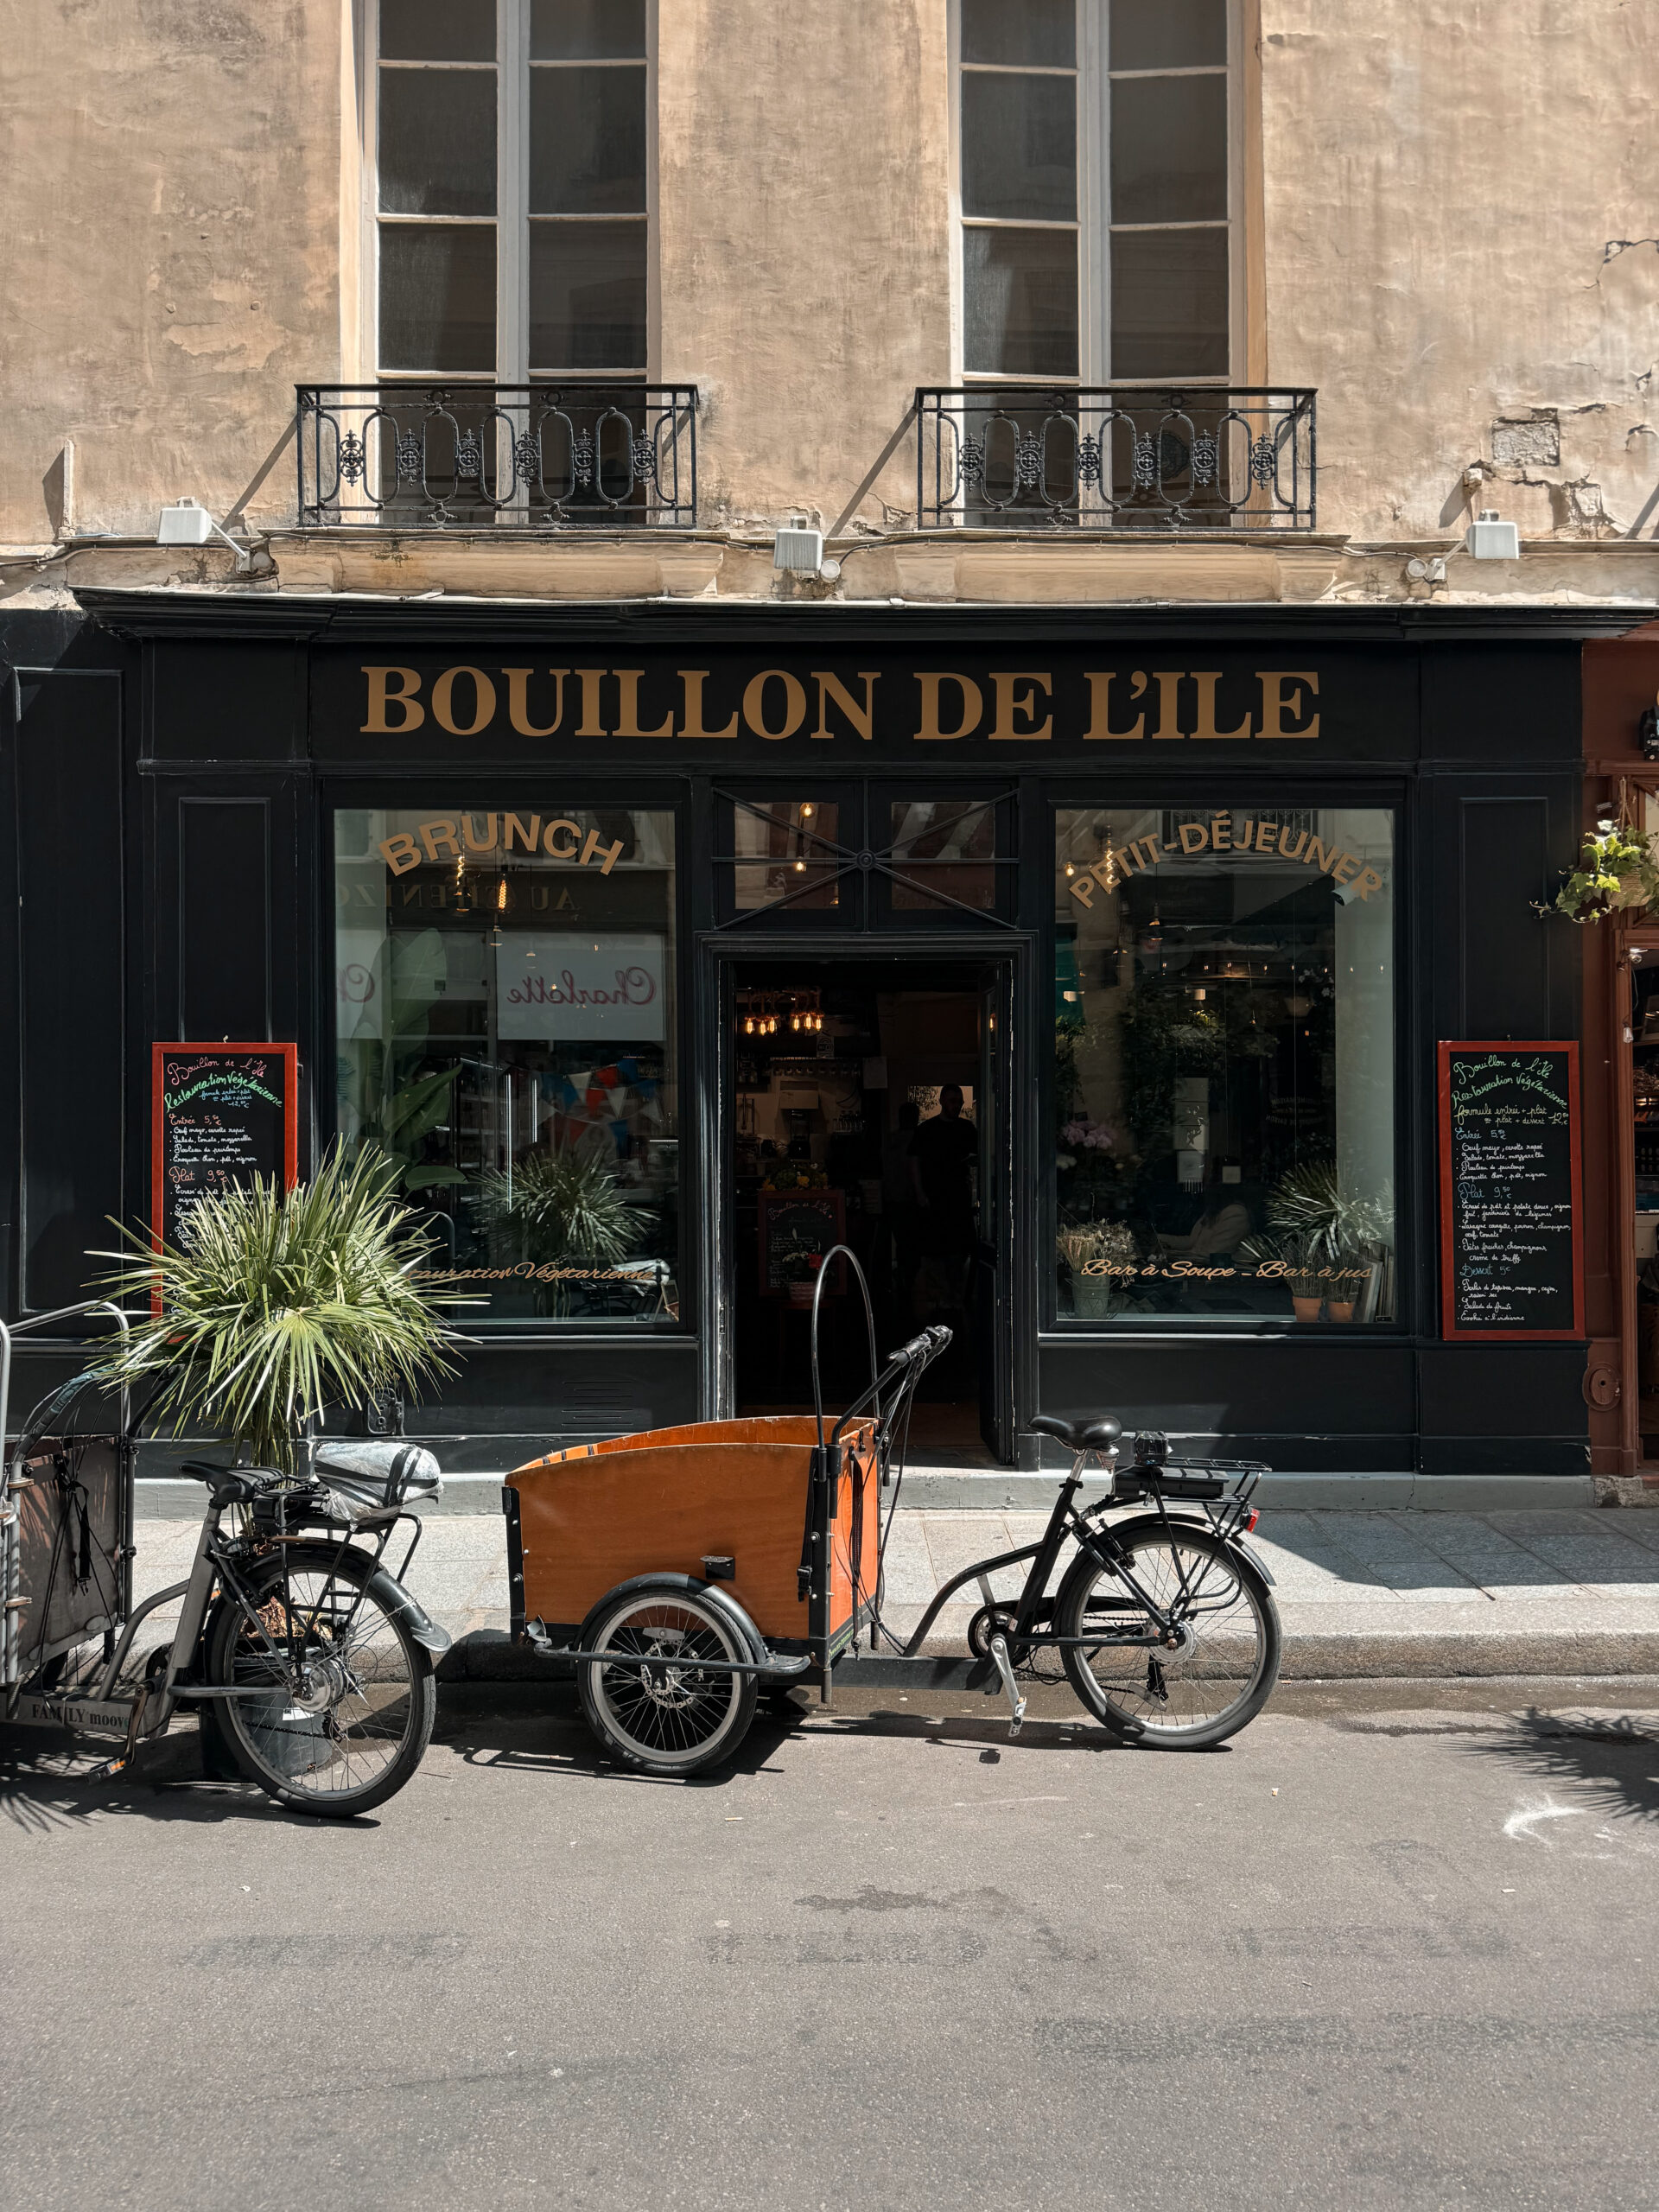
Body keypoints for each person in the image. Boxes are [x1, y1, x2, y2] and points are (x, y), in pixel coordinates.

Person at [909, 1086, 979, 1305]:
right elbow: (913, 1161)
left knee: (958, 1252)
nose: (956, 1105)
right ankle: (939, 1300)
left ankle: (956, 1300)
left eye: (959, 1101)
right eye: (951, 1100)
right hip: (934, 1199)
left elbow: (979, 1158)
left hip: (959, 1199)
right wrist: (920, 1192)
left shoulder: (967, 1128)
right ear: (941, 1101)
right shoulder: (926, 1130)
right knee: (934, 1253)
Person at [880, 1100, 923, 1304]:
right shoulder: (917, 1139)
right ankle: (910, 1281)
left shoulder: (890, 1141)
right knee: (913, 1243)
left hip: (891, 1199)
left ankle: (904, 1280)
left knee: (903, 1243)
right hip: (912, 1199)